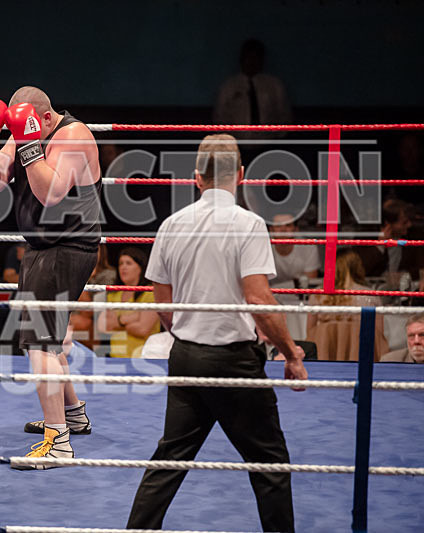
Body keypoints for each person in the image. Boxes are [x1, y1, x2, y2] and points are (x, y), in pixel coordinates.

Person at [127, 134, 307, 533]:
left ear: (196, 178)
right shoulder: (248, 224)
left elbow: (163, 305)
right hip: (234, 363)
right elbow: (259, 299)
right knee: (270, 465)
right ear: (240, 175)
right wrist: (291, 353)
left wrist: (192, 332)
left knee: (170, 460)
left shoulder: (172, 225)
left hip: (187, 357)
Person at [0, 86, 101, 468]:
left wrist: (27, 144)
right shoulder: (24, 132)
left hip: (68, 247)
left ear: (44, 117)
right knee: (52, 338)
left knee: (39, 344)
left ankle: (57, 442)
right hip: (43, 248)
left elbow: (51, 193)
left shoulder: (72, 135)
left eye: (27, 126)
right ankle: (73, 414)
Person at [305, 249, 388, 361]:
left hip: (325, 357)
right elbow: (379, 337)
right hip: (360, 358)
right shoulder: (369, 296)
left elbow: (310, 333)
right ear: (357, 267)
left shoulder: (317, 296)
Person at [96, 247, 160, 357]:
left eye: (128, 263)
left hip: (144, 358)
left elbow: (142, 329)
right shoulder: (113, 294)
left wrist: (118, 321)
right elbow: (103, 327)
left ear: (140, 268)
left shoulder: (150, 293)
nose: (123, 267)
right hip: (115, 358)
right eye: (121, 263)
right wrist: (134, 317)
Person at [268, 214, 319, 285]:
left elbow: (310, 283)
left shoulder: (308, 247)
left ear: (296, 229)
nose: (283, 230)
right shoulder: (264, 247)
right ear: (271, 230)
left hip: (300, 295)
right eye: (278, 226)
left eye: (288, 225)